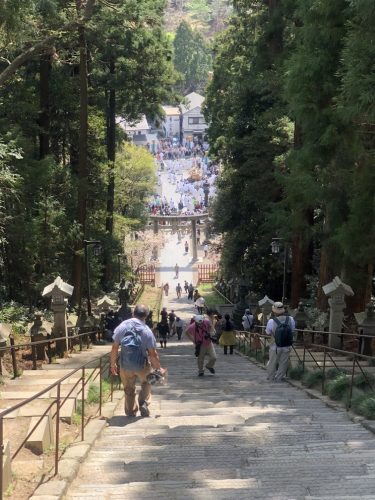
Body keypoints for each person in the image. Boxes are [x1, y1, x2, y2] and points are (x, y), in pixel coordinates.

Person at [110, 304, 166, 417]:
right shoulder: (147, 331)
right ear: (146, 316)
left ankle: (130, 411)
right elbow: (152, 354)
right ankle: (144, 402)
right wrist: (158, 368)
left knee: (128, 389)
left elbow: (114, 347)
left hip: (125, 364)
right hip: (142, 365)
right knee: (148, 381)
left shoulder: (123, 326)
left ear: (133, 313)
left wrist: (113, 364)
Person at [265, 302, 295, 382]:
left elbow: (268, 332)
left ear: (274, 311)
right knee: (284, 362)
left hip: (275, 345)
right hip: (286, 345)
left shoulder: (271, 321)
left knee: (272, 362)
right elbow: (292, 330)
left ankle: (271, 377)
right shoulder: (290, 319)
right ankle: (279, 378)